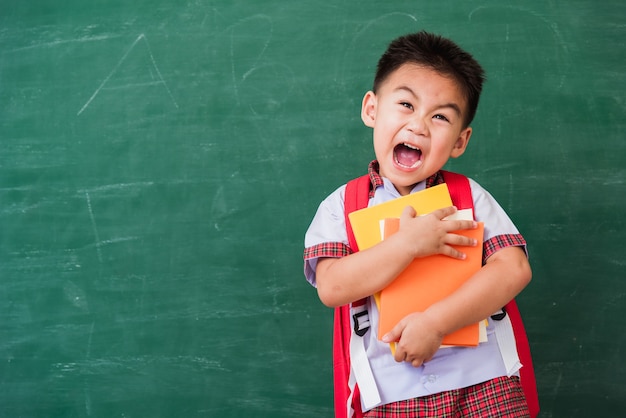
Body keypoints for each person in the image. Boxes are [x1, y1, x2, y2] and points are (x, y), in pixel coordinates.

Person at [303, 31, 534, 417]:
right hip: (390, 393)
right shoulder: (339, 207)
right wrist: (407, 244)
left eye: (440, 116)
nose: (420, 125)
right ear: (372, 110)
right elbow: (333, 287)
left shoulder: (468, 195)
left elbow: (514, 268)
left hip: (484, 381)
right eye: (406, 104)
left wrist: (436, 323)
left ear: (460, 141)